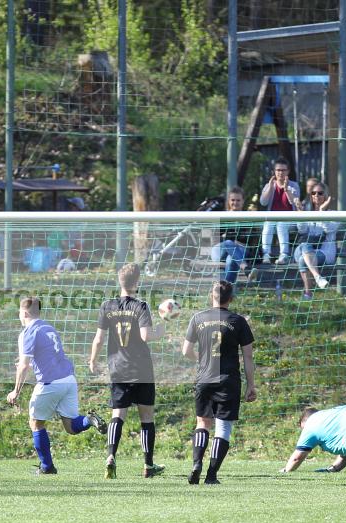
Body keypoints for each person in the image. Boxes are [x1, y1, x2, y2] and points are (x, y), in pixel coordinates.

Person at [7, 297, 106, 475]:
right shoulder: (48, 327)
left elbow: (24, 365)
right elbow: (45, 354)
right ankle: (89, 420)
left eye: (20, 312)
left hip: (50, 383)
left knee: (36, 423)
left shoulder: (28, 332)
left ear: (25, 312)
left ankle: (47, 467)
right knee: (71, 426)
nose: (19, 316)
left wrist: (16, 390)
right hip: (68, 380)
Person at [89, 264, 166, 479]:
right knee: (146, 417)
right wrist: (160, 331)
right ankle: (148, 466)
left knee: (117, 414)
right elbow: (145, 336)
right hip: (141, 369)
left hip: (117, 368)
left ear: (119, 281)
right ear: (137, 282)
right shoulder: (140, 306)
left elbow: (99, 338)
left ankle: (111, 456)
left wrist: (93, 359)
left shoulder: (107, 306)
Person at [182, 280, 256, 485]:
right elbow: (248, 357)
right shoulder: (238, 321)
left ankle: (196, 463)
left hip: (204, 378)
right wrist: (251, 385)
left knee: (202, 423)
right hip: (228, 380)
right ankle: (211, 475)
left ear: (211, 297)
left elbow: (185, 351)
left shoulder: (198, 318)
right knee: (223, 428)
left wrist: (202, 360)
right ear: (231, 299)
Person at [293, 181, 337, 300]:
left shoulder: (334, 214)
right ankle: (318, 277)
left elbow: (328, 229)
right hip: (303, 249)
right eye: (313, 193)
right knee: (305, 246)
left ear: (326, 196)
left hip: (324, 252)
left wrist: (322, 212)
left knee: (303, 259)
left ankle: (308, 294)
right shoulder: (308, 213)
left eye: (320, 193)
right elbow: (302, 230)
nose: (316, 195)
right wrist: (300, 213)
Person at [210, 186, 258, 284]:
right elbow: (215, 238)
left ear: (243, 201)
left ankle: (227, 289)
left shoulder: (248, 218)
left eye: (238, 200)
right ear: (228, 201)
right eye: (232, 200)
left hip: (240, 249)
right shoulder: (223, 216)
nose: (235, 203)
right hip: (220, 250)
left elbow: (250, 238)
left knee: (231, 259)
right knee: (228, 243)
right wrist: (233, 240)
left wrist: (230, 238)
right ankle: (245, 268)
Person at [259, 157, 301, 265]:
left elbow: (294, 202)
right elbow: (263, 202)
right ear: (274, 171)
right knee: (268, 224)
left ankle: (284, 255)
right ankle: (266, 255)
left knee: (281, 223)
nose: (280, 173)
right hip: (272, 220)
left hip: (290, 221)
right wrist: (270, 188)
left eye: (283, 170)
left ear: (288, 171)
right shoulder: (269, 185)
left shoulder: (294, 185)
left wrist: (286, 189)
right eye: (278, 170)